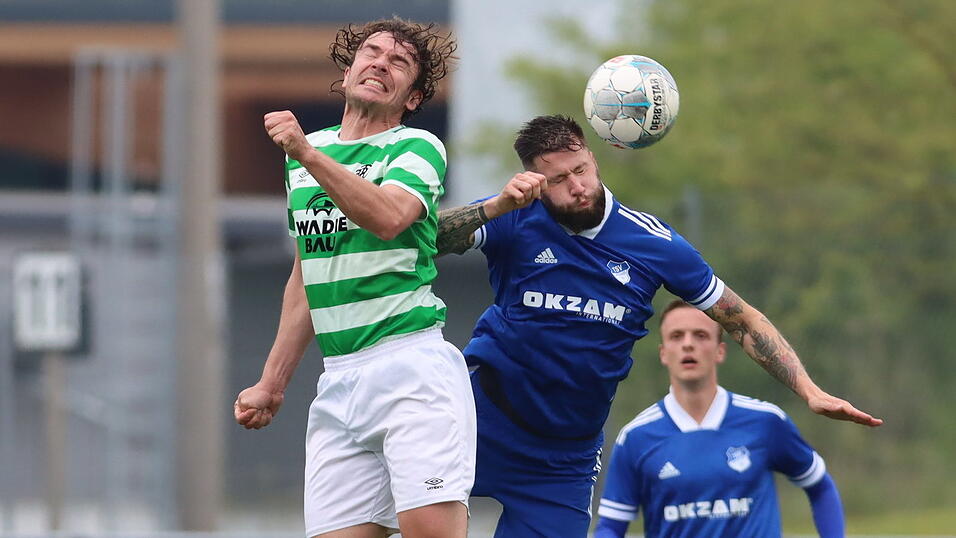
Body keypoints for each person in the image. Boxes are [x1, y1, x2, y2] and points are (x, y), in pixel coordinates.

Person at [435, 114, 880, 537]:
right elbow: (424, 239)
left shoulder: (654, 243)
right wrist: (493, 206)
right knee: (380, 512)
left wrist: (809, 389)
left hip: (563, 456)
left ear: (594, 159)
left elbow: (741, 319)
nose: (577, 187)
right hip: (482, 419)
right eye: (558, 180)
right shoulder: (513, 216)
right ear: (535, 181)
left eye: (581, 170)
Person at [233, 19, 475, 538]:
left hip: (410, 368)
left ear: (412, 97)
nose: (381, 64)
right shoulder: (307, 158)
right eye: (372, 53)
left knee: (431, 531)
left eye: (399, 64)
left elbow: (388, 217)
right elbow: (307, 274)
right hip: (339, 381)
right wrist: (272, 383)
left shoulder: (415, 147)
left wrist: (307, 153)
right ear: (348, 71)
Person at [594, 300, 845, 537]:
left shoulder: (766, 422)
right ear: (663, 353)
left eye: (700, 335)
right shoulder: (636, 437)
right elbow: (611, 527)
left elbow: (820, 486)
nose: (688, 344)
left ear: (720, 351)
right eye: (676, 336)